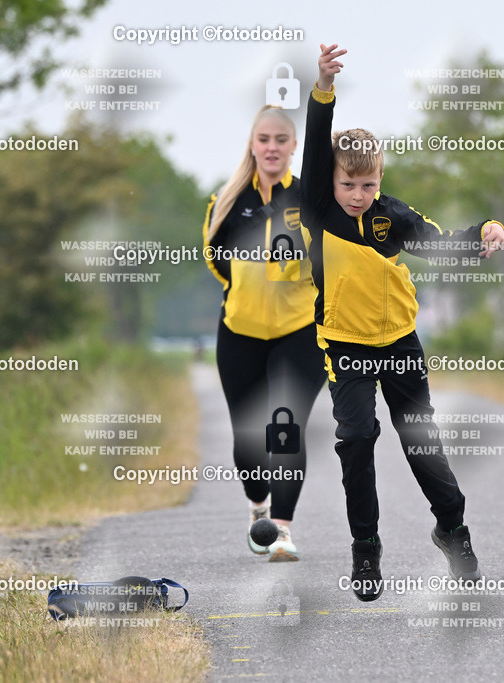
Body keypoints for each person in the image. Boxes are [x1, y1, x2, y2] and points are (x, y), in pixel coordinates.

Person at [299, 44, 504, 601]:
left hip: (399, 344)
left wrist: (484, 231)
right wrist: (323, 87)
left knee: (421, 441)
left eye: (368, 186)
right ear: (331, 182)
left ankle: (453, 529)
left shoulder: (394, 216)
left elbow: (442, 246)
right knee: (357, 439)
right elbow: (318, 141)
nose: (359, 197)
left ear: (380, 179)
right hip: (344, 345)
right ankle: (366, 553)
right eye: (348, 185)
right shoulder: (318, 207)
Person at [203, 104, 326, 562]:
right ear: (252, 145)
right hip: (240, 331)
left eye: (281, 140)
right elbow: (217, 262)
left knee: (286, 428)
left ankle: (283, 530)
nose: (272, 147)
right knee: (248, 440)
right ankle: (259, 505)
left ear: (294, 146)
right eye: (264, 139)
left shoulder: (311, 199)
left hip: (299, 330)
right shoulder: (227, 201)